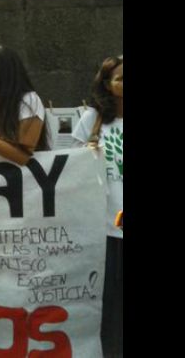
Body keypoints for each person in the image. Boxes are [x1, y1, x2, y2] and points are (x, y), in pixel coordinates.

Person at [71, 55, 123, 358]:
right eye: (120, 79)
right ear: (106, 83)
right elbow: (71, 165)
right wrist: (87, 153)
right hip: (105, 228)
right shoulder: (94, 118)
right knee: (110, 304)